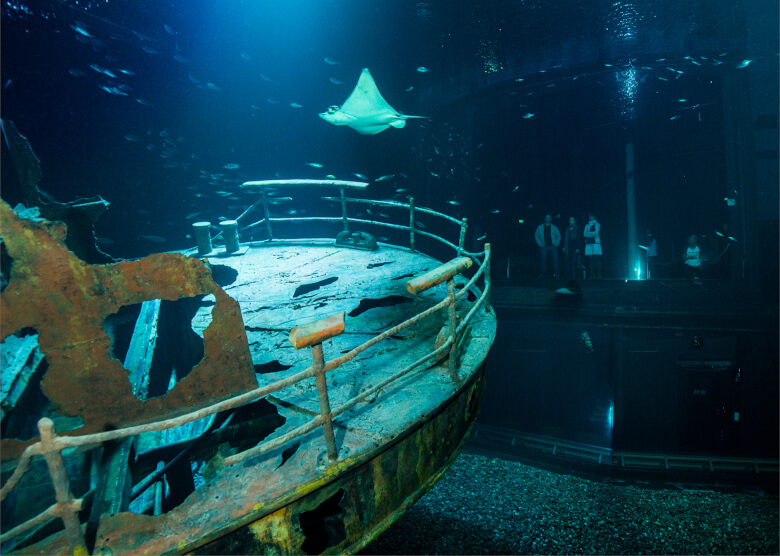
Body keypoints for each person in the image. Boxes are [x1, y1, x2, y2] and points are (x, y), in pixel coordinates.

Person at [583, 213, 602, 279]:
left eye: (591, 216)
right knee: (590, 260)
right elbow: (584, 234)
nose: (590, 217)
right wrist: (591, 233)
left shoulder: (597, 224)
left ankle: (599, 275)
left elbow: (596, 233)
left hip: (595, 243)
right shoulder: (587, 225)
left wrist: (588, 233)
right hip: (588, 243)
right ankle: (592, 275)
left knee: (597, 259)